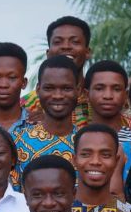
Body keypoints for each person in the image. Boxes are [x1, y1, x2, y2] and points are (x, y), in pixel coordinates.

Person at [10, 55, 80, 190]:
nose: (58, 95)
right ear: (37, 90)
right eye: (49, 88)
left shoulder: (87, 144)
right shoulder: (17, 141)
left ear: (78, 91)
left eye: (66, 88)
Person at [71, 124, 131, 212]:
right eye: (86, 154)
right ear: (74, 160)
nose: (95, 161)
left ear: (116, 160)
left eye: (105, 155)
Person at [22, 16, 92, 126]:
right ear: (48, 53)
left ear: (88, 52)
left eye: (75, 42)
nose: (66, 47)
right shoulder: (27, 105)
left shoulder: (101, 102)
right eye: (58, 42)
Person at [82, 60, 131, 179]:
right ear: (86, 94)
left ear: (126, 95)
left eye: (116, 89)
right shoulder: (76, 139)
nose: (108, 95)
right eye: (99, 88)